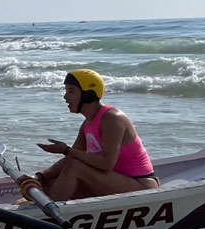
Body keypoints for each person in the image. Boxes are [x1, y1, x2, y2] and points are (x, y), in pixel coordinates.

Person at [18, 69, 159, 201]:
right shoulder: (87, 124)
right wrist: (39, 176)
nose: (65, 97)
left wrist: (66, 150)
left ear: (88, 94)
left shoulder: (112, 118)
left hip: (141, 186)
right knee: (48, 183)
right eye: (66, 91)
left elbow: (106, 164)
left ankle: (46, 215)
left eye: (71, 91)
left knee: (75, 166)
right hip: (112, 181)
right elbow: (69, 158)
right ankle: (39, 208)